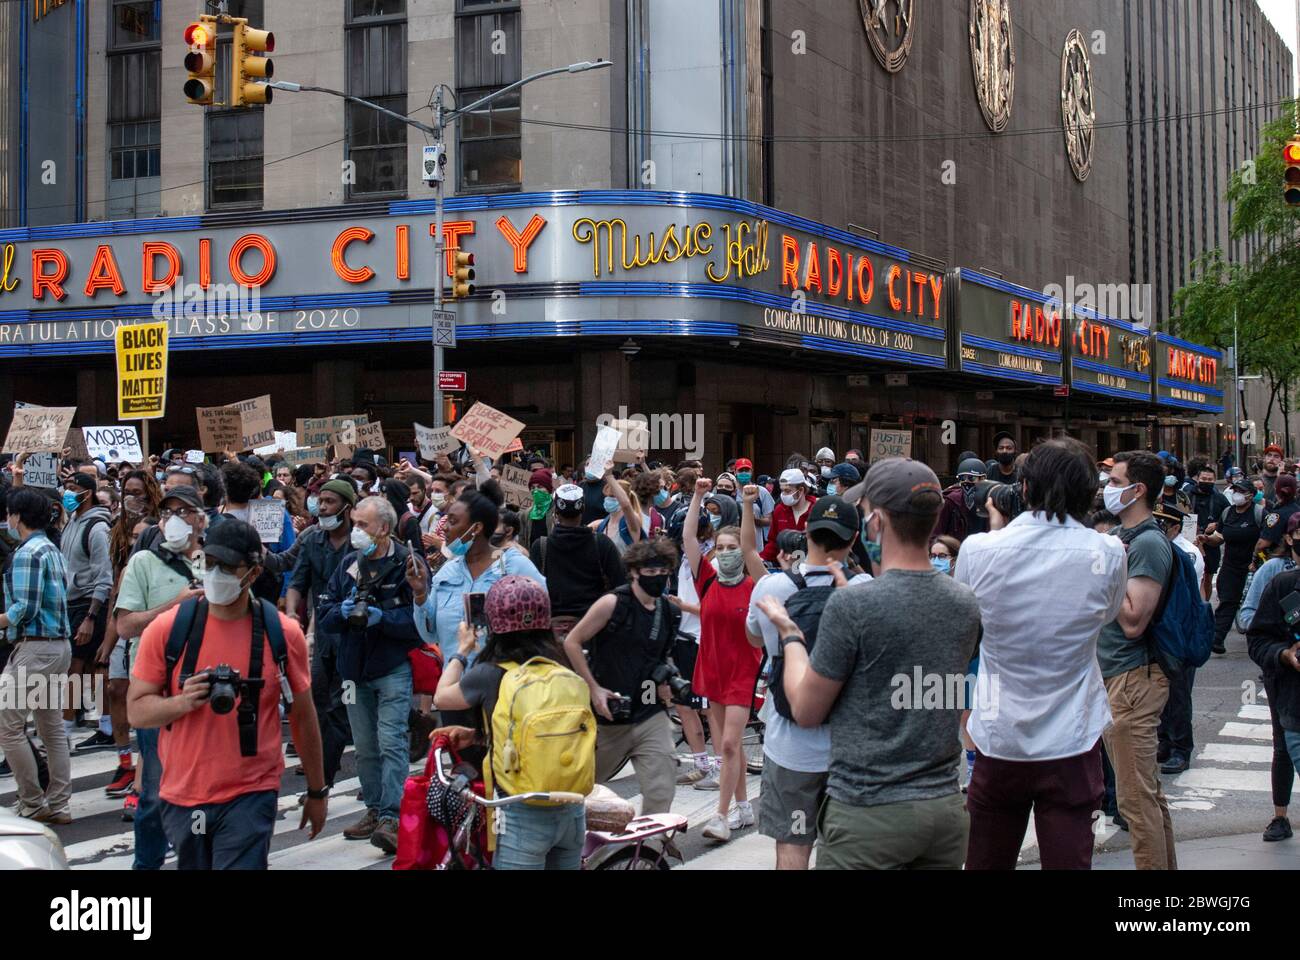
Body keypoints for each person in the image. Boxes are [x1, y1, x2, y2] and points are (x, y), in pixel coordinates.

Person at [760, 458, 980, 870]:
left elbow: (807, 710)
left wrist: (790, 635)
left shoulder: (855, 604)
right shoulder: (964, 603)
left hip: (868, 813)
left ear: (876, 523)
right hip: (944, 809)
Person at [956, 439, 1127, 870]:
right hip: (1073, 736)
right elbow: (1107, 615)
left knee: (984, 860)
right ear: (1089, 491)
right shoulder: (1107, 552)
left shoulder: (979, 550)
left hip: (999, 735)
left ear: (1025, 488)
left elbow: (968, 621)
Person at [127, 519, 325, 869]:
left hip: (250, 792)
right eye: (211, 563)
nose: (217, 574)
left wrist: (316, 790)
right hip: (182, 794)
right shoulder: (169, 628)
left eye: (229, 567)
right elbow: (137, 711)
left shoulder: (281, 633)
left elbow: (303, 715)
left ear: (253, 572)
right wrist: (182, 702)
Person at [433, 576, 595, 870]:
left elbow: (442, 697)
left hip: (523, 812)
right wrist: (479, 737)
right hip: (572, 807)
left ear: (494, 624)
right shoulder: (561, 666)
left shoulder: (488, 672)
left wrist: (462, 650)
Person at [746, 494, 867, 869]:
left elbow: (753, 638)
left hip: (790, 748)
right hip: (850, 748)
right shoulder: (865, 590)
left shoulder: (772, 588)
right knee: (848, 853)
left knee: (793, 846)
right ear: (853, 539)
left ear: (804, 532)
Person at [318, 496, 422, 855]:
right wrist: (342, 613)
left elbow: (420, 622)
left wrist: (384, 619)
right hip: (352, 670)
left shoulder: (407, 565)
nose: (355, 531)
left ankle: (393, 817)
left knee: (392, 740)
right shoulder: (349, 564)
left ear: (384, 528)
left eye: (362, 525)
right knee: (364, 747)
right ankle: (374, 809)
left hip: (391, 667)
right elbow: (325, 612)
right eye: (354, 523)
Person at [114, 483, 208, 868]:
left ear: (202, 519)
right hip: (155, 690)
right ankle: (147, 863)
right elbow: (125, 626)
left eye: (184, 512)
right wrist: (177, 604)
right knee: (154, 788)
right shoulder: (143, 563)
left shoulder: (215, 559)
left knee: (205, 785)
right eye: (168, 513)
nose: (174, 520)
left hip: (204, 685)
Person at [1098, 450, 1178, 870]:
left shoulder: (1146, 542)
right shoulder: (1126, 538)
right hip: (1122, 677)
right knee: (1147, 793)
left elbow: (1133, 621)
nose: (1109, 488)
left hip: (1134, 680)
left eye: (1116, 481)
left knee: (1133, 798)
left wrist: (1103, 577)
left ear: (1139, 490)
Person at [562, 538, 682, 816]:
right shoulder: (612, 603)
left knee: (661, 789)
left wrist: (668, 681)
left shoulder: (669, 613)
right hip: (609, 717)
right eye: (650, 572)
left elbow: (661, 656)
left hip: (650, 714)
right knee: (580, 787)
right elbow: (572, 641)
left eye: (663, 572)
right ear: (635, 572)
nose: (657, 578)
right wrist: (594, 689)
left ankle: (648, 851)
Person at [682, 478, 768, 841]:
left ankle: (720, 816)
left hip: (743, 673)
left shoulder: (757, 584)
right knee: (726, 747)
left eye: (731, 546)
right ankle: (745, 809)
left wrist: (747, 504)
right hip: (712, 669)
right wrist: (698, 497)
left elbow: (750, 548)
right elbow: (688, 539)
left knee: (731, 744)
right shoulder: (706, 580)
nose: (727, 551)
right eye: (720, 546)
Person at [0, 487, 73, 824]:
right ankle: (58, 803)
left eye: (9, 514)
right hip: (57, 647)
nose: (7, 519)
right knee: (51, 728)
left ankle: (32, 801)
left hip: (36, 646)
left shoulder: (28, 552)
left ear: (17, 516)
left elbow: (23, 609)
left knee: (8, 726)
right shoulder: (50, 548)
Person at [285, 477, 359, 793]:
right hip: (323, 635)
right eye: (320, 501)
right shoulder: (312, 539)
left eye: (329, 502)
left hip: (355, 638)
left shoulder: (361, 542)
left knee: (346, 704)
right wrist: (291, 616)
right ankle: (324, 769)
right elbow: (297, 582)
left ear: (347, 507)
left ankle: (333, 771)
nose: (323, 507)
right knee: (318, 699)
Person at [1245, 520, 1300, 844]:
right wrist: (1283, 655)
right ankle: (1280, 815)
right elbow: (1257, 636)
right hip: (1289, 691)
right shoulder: (1280, 583)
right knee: (1284, 748)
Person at [529, 484, 625, 643]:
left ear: (555, 511)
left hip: (551, 636)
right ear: (583, 509)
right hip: (595, 631)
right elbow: (621, 585)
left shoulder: (540, 547)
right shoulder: (601, 543)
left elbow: (533, 591)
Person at [58, 471, 113, 748]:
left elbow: (104, 576)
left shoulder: (98, 529)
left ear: (87, 492)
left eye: (72, 488)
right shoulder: (72, 523)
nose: (67, 493)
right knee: (90, 669)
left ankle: (65, 732)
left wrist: (91, 617)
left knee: (76, 669)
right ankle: (105, 725)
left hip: (89, 605)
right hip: (72, 604)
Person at [1152, 497, 1203, 776]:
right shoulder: (1162, 549)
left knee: (1179, 695)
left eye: (1163, 524)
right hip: (1162, 630)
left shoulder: (1187, 553)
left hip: (1180, 631)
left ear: (1175, 527)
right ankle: (1164, 741)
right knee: (1160, 693)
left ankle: (1181, 748)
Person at [1202, 476, 1265, 655]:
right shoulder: (1227, 513)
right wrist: (1207, 539)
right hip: (1230, 565)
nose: (1236, 494)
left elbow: (1267, 539)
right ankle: (1217, 639)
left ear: (1251, 496)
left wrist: (1257, 561)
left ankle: (1259, 641)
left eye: (1241, 492)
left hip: (1253, 566)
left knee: (1256, 604)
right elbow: (1219, 537)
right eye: (1235, 491)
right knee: (1227, 601)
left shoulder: (1259, 513)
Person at [1188, 464, 1229, 601]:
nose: (1206, 481)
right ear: (1197, 478)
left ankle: (1204, 604)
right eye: (1203, 478)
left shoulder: (1220, 498)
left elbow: (1230, 516)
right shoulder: (1187, 496)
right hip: (1190, 543)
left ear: (1215, 480)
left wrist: (1217, 524)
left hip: (1211, 544)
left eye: (1210, 479)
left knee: (1207, 576)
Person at [761, 468, 817, 563]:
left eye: (787, 491)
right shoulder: (779, 510)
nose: (783, 495)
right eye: (782, 491)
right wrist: (761, 559)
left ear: (801, 490)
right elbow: (773, 542)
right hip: (785, 567)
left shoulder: (816, 510)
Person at [935, 458, 988, 541]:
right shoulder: (950, 501)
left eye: (971, 478)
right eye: (962, 478)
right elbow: (936, 533)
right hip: (956, 550)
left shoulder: (989, 502)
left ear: (983, 479)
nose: (965, 482)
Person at [590, 475, 642, 556]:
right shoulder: (601, 525)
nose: (607, 499)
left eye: (612, 496)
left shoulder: (631, 522)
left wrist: (609, 475)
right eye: (606, 496)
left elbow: (626, 505)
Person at [1255, 474, 1300, 559]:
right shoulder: (1298, 510)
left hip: (1279, 560)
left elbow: (1262, 544)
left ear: (1276, 490)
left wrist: (1257, 558)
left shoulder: (1276, 516)